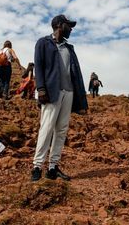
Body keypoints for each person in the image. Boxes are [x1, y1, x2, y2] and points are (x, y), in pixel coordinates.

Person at [31, 14, 88, 181]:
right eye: (68, 26)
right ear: (59, 25)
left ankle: (53, 167)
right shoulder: (43, 43)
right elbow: (38, 66)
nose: (71, 29)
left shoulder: (69, 48)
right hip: (51, 92)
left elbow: (77, 74)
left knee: (61, 130)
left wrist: (81, 100)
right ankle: (37, 166)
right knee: (47, 127)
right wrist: (41, 88)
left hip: (68, 92)